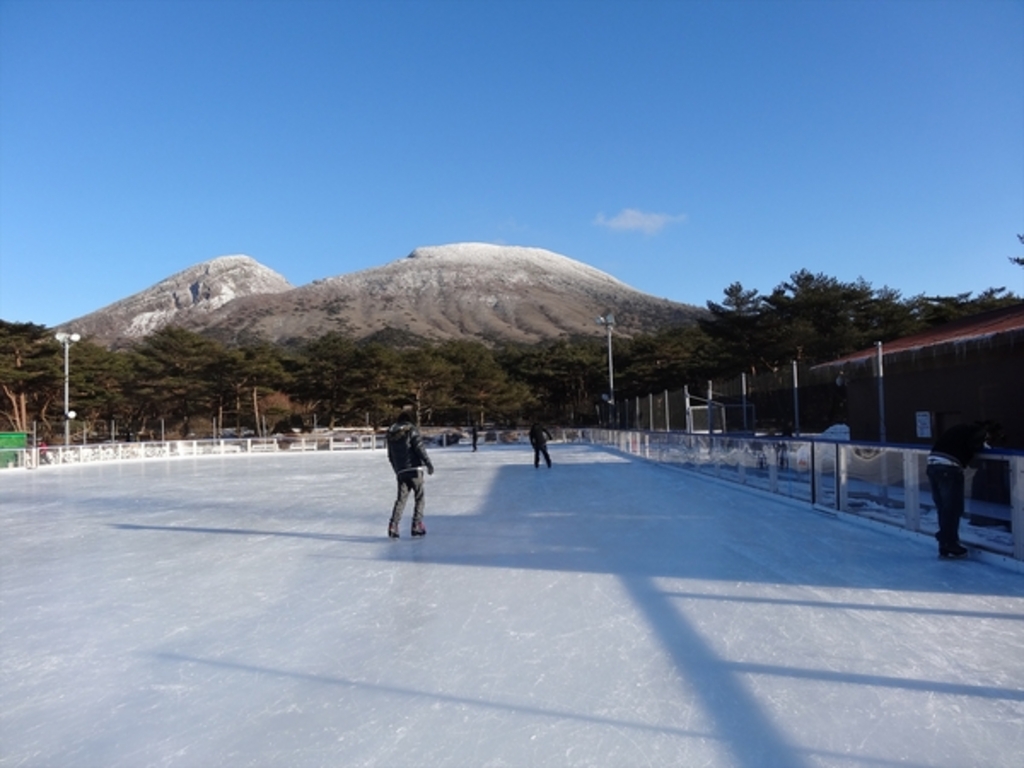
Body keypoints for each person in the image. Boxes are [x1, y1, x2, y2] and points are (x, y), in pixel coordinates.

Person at [926, 421, 995, 559]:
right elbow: (974, 448)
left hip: (933, 465)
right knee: (953, 507)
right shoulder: (979, 432)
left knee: (943, 507)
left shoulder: (960, 428)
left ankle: (946, 542)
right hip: (949, 468)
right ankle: (948, 541)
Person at [386, 409, 434, 538]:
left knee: (401, 500)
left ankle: (393, 525)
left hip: (401, 471)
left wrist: (398, 470)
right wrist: (428, 463)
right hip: (414, 470)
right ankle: (416, 525)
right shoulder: (411, 430)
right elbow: (419, 448)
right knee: (419, 497)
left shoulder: (391, 434)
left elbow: (390, 456)